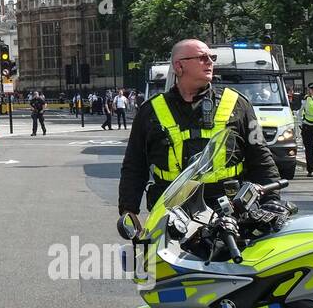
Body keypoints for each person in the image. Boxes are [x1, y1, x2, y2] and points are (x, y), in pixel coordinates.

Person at [119, 38, 279, 228]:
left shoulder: (237, 104)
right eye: (202, 58)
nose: (210, 62)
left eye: (211, 57)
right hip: (170, 215)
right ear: (179, 66)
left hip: (229, 214)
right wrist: (129, 211)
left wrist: (271, 202)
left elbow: (261, 157)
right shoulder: (150, 111)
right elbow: (134, 165)